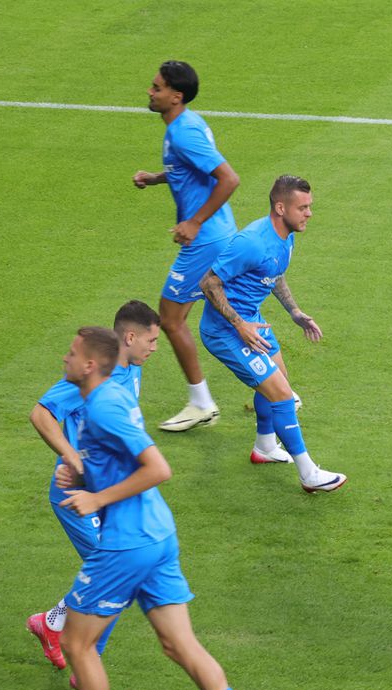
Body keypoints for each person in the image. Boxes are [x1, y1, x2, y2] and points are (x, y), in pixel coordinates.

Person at [54, 326, 271, 690]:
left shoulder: (104, 406)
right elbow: (122, 463)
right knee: (179, 645)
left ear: (90, 364)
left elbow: (158, 468)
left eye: (71, 353)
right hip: (157, 535)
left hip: (127, 543)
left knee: (76, 643)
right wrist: (83, 476)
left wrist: (96, 498)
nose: (64, 359)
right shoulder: (109, 396)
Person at [27, 300, 162, 690]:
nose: (155, 348)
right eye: (151, 340)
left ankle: (53, 623)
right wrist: (73, 458)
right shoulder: (93, 374)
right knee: (116, 576)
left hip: (106, 496)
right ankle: (83, 671)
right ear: (130, 337)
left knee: (113, 574)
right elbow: (41, 414)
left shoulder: (132, 368)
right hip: (76, 496)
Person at [199, 175, 345, 492]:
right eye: (303, 208)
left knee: (280, 380)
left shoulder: (285, 236)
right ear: (281, 208)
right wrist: (239, 325)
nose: (309, 214)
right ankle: (308, 473)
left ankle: (264, 446)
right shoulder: (252, 242)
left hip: (252, 321)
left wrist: (294, 311)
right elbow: (208, 282)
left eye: (309, 206)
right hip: (225, 330)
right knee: (281, 394)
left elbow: (274, 273)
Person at [133, 60, 240, 433]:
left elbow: (228, 179)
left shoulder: (183, 133)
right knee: (233, 312)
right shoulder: (185, 124)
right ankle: (283, 391)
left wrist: (194, 222)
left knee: (171, 318)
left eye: (157, 87)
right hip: (219, 232)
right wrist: (157, 178)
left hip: (207, 239)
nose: (150, 92)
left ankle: (202, 404)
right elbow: (190, 169)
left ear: (176, 96)